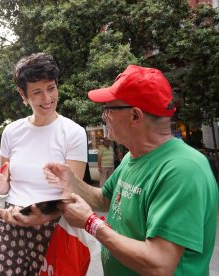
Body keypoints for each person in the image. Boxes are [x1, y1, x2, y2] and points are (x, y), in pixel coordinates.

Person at [42, 65, 218, 275]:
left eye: (109, 109)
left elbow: (160, 263)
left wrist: (91, 223)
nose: (104, 116)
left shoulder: (183, 170)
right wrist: (71, 181)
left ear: (135, 115)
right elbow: (106, 199)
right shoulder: (132, 157)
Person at [0, 53, 88, 275]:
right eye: (37, 92)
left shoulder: (73, 133)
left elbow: (73, 192)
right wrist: (1, 187)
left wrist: (46, 216)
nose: (47, 98)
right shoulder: (11, 132)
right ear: (23, 95)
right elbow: (6, 183)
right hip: (10, 224)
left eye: (51, 88)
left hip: (53, 227)